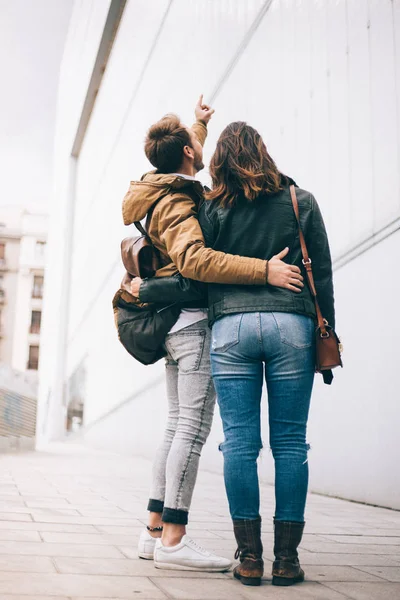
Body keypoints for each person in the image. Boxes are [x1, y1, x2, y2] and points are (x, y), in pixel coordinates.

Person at [123, 98, 304, 572]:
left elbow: (188, 151)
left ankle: (153, 531)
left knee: (174, 425)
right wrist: (264, 269)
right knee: (191, 430)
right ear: (185, 152)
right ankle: (176, 539)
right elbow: (196, 261)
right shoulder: (181, 202)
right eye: (193, 141)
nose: (198, 146)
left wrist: (200, 123)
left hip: (168, 322)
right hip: (189, 322)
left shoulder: (161, 183)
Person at [196, 121, 335, 586]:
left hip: (231, 328)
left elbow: (202, 269)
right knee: (291, 442)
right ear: (264, 152)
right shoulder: (301, 201)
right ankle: (288, 561)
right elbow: (323, 277)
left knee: (239, 442)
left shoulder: (210, 208)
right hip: (291, 325)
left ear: (218, 160)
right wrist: (326, 335)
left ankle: (250, 557)